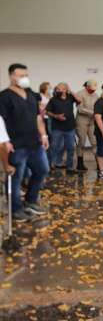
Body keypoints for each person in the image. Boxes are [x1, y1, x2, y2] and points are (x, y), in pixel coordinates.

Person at [0, 64, 50, 222]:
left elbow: (38, 117)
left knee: (42, 170)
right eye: (20, 75)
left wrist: (43, 135)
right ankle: (16, 209)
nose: (24, 78)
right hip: (16, 145)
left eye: (26, 75)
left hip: (35, 143)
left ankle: (30, 201)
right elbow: (1, 123)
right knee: (16, 178)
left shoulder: (30, 94)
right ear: (11, 76)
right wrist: (5, 143)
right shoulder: (4, 97)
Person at [46, 82, 81, 173]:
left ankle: (70, 168)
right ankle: (50, 165)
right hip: (57, 127)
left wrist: (71, 92)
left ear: (65, 90)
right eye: (57, 89)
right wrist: (56, 116)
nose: (57, 90)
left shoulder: (70, 97)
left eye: (59, 89)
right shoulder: (53, 99)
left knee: (70, 148)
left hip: (70, 127)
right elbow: (48, 111)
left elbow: (79, 100)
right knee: (54, 147)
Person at [75, 80, 98, 171]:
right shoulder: (80, 94)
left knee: (95, 142)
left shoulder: (95, 95)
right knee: (82, 142)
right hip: (82, 120)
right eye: (91, 89)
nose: (93, 91)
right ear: (87, 87)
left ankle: (99, 163)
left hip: (92, 121)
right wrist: (92, 112)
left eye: (94, 89)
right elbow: (80, 109)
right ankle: (80, 164)